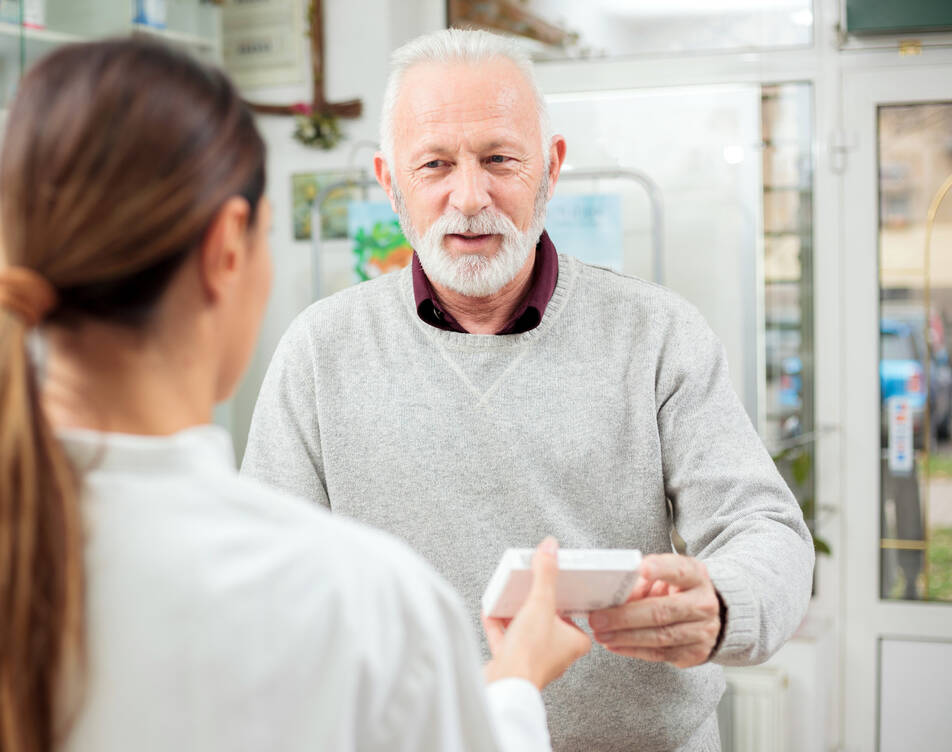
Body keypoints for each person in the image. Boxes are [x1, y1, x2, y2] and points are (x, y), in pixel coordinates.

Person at [0, 39, 592, 752]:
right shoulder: (360, 602)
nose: (468, 195)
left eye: (498, 157)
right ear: (227, 249)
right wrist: (514, 680)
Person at [243, 28, 816, 752]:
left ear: (551, 167)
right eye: (435, 164)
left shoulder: (658, 334)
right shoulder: (319, 353)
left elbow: (765, 529)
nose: (469, 196)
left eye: (499, 159)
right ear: (390, 183)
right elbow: (263, 582)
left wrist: (725, 603)